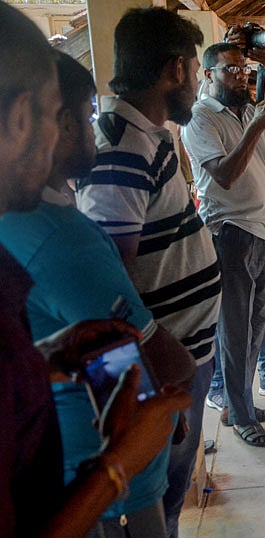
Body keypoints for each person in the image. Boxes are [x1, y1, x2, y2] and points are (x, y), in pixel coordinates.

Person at [0, 4, 190, 536]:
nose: (88, 131)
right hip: (98, 499)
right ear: (22, 118)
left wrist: (43, 359)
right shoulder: (50, 237)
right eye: (70, 114)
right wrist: (119, 466)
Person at [74, 9, 222, 537]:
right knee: (147, 505)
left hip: (179, 357)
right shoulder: (122, 148)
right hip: (160, 367)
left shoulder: (148, 138)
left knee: (167, 497)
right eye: (195, 70)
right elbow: (109, 281)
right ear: (174, 71)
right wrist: (148, 384)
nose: (198, 82)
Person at [181, 42, 265, 448]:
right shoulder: (200, 119)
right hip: (228, 232)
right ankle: (239, 412)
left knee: (255, 327)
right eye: (230, 70)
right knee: (234, 331)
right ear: (208, 76)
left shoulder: (249, 112)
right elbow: (225, 175)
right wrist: (256, 128)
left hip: (257, 230)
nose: (240, 76)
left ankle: (242, 405)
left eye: (243, 69)